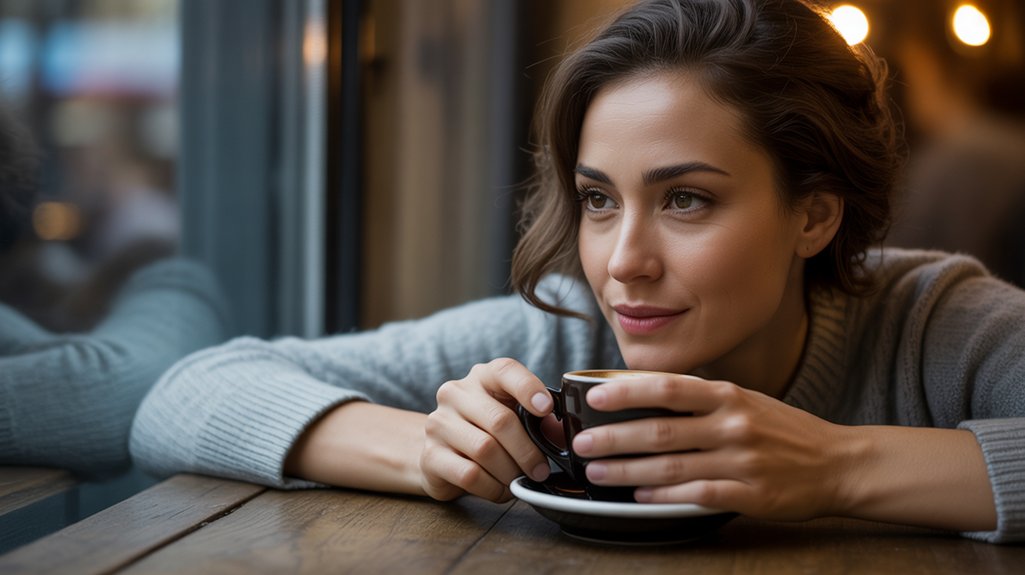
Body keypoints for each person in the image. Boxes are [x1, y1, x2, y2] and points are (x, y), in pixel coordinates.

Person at [130, 0, 1025, 543]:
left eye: (685, 200)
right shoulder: (558, 332)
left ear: (814, 215)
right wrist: (431, 449)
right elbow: (186, 395)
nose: (622, 263)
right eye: (599, 200)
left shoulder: (931, 324)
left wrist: (834, 466)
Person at [0, 101, 231, 477]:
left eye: (86, 155)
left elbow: (96, 391)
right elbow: (96, 394)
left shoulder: (143, 224)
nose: (78, 168)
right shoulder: (137, 229)